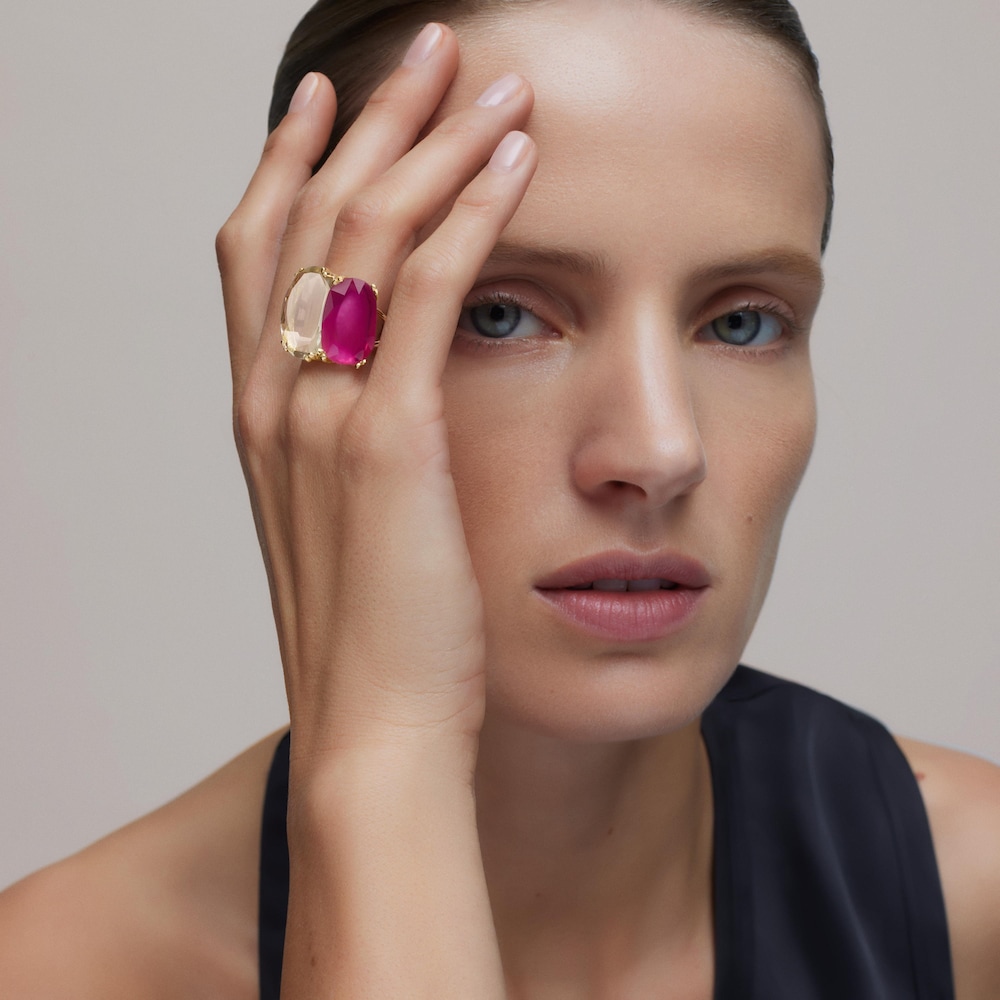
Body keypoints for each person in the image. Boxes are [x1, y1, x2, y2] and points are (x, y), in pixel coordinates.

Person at [1, 1, 998, 997]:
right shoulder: (60, 967)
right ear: (305, 361)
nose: (659, 449)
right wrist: (383, 767)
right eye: (498, 311)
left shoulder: (973, 892)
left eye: (741, 322)